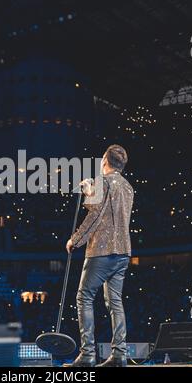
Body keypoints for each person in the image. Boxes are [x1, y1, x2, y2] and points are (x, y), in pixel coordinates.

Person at [64, 144, 134, 367]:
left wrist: (75, 240)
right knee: (115, 301)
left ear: (105, 160)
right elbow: (109, 213)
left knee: (84, 297)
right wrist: (91, 193)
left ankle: (87, 355)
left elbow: (96, 215)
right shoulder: (128, 186)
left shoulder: (103, 182)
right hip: (123, 252)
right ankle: (120, 354)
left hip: (102, 251)